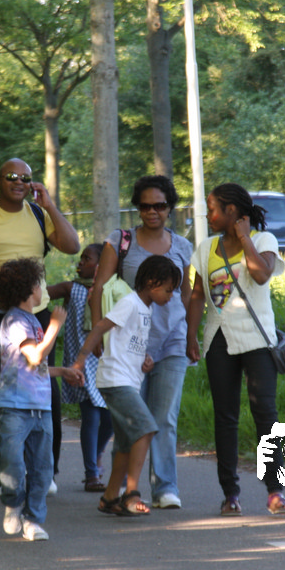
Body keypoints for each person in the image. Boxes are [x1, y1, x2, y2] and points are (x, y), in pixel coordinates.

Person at [0, 158, 80, 496]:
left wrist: (49, 206)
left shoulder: (38, 214)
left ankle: (44, 473)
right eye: (11, 176)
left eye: (26, 177)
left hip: (36, 314)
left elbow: (72, 245)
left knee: (45, 391)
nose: (19, 182)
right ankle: (3, 477)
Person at [185, 183, 285, 516]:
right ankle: (230, 494)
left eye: (212, 209)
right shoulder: (206, 248)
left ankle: (275, 491)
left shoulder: (263, 240)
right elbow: (197, 295)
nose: (208, 215)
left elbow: (261, 276)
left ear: (231, 210)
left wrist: (245, 238)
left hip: (256, 340)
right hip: (218, 338)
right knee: (225, 416)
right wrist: (191, 336)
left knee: (265, 414)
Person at [88, 175, 193, 510]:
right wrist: (98, 332)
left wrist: (191, 336)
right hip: (131, 345)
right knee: (130, 422)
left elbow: (187, 294)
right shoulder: (121, 241)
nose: (152, 212)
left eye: (159, 206)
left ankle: (164, 487)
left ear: (169, 207)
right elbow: (99, 287)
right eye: (145, 206)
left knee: (164, 418)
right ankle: (119, 490)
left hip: (172, 341)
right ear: (138, 207)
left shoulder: (182, 246)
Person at [72, 255, 181, 517]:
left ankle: (109, 498)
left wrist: (144, 358)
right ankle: (131, 493)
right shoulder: (130, 303)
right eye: (168, 290)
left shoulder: (146, 308)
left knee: (123, 444)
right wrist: (80, 361)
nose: (170, 296)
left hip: (128, 380)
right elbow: (100, 327)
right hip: (115, 380)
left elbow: (129, 341)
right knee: (146, 429)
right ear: (152, 283)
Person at [0, 258, 83, 541]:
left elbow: (33, 366)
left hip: (41, 407)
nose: (42, 289)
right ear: (30, 289)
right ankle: (13, 502)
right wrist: (55, 325)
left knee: (42, 469)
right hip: (14, 407)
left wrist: (62, 372)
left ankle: (32, 520)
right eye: (39, 284)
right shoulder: (15, 320)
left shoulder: (31, 320)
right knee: (13, 466)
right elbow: (34, 356)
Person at [48, 243, 113, 492]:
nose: (81, 262)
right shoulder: (71, 288)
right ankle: (91, 474)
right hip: (81, 363)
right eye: (81, 258)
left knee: (110, 418)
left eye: (87, 259)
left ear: (102, 265)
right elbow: (40, 294)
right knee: (91, 416)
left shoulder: (112, 289)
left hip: (106, 361)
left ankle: (96, 455)